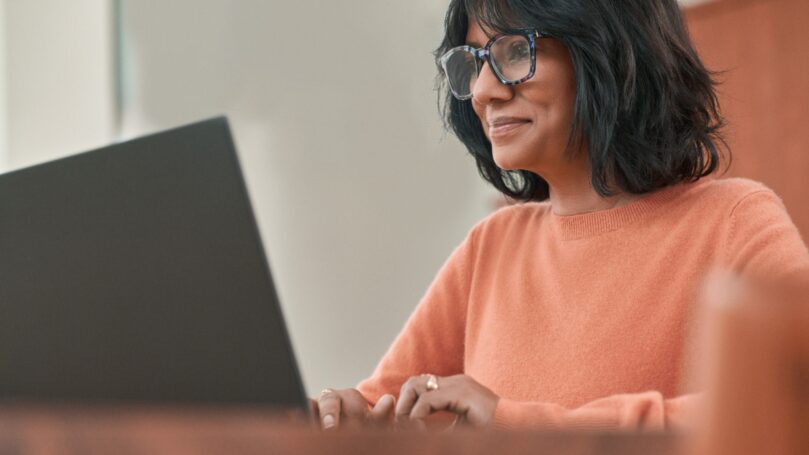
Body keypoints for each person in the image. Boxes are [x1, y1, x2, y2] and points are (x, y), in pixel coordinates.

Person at [314, 0, 809, 431]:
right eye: (473, 61)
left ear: (610, 51)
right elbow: (384, 404)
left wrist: (518, 426)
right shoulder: (492, 245)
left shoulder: (733, 221)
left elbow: (791, 403)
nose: (486, 90)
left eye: (513, 51)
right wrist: (351, 423)